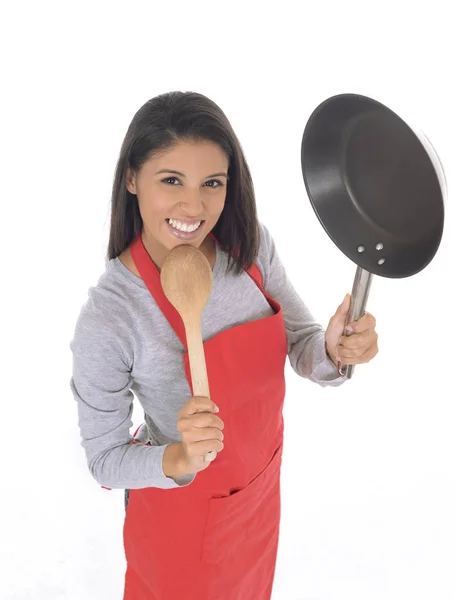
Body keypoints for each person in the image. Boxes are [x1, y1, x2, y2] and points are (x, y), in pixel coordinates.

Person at [69, 91, 378, 600]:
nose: (194, 206)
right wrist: (178, 459)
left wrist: (335, 350)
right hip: (180, 528)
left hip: (255, 498)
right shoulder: (111, 316)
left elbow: (302, 343)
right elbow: (104, 459)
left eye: (212, 183)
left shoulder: (249, 246)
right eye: (172, 180)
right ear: (131, 179)